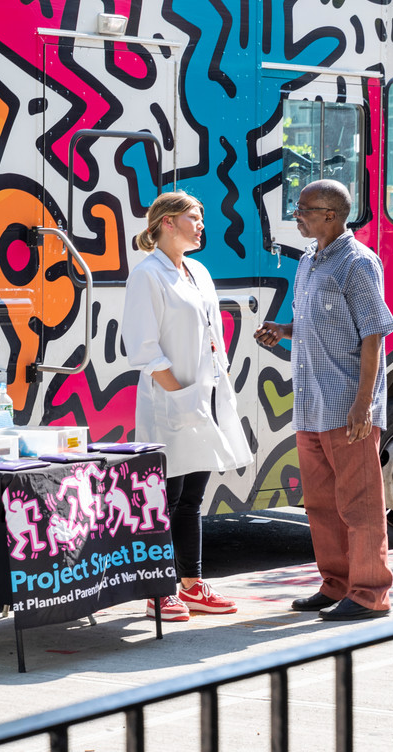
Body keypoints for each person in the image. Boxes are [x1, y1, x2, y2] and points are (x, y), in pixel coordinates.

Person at [254, 179, 393, 621]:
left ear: (331, 215)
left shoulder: (358, 263)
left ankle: (370, 592)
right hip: (311, 406)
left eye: (304, 209)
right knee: (320, 504)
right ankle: (336, 584)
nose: (297, 215)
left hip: (346, 407)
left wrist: (364, 404)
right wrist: (283, 331)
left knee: (360, 503)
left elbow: (373, 335)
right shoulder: (308, 262)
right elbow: (315, 323)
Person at [122, 192, 253, 622]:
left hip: (204, 400)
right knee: (163, 497)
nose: (201, 225)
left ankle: (192, 585)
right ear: (167, 223)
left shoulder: (197, 271)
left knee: (192, 498)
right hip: (169, 403)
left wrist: (210, 389)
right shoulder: (147, 275)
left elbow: (212, 335)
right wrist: (179, 394)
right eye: (195, 217)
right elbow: (143, 348)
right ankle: (158, 591)